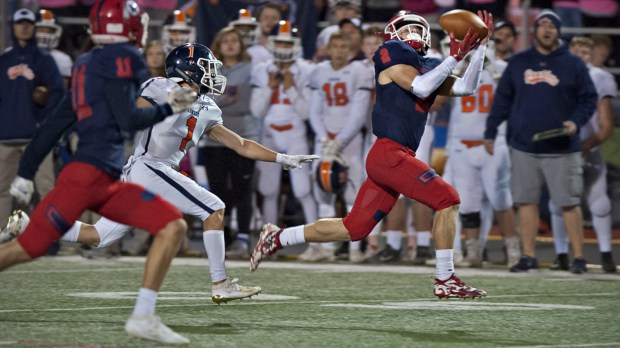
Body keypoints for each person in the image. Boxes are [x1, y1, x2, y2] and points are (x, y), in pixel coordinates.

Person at [251, 10, 493, 299]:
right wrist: (455, 58)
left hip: (393, 155)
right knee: (448, 199)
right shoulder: (391, 52)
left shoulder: (428, 65)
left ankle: (277, 237)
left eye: (417, 29)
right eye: (406, 30)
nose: (412, 34)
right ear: (393, 35)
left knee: (354, 228)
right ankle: (445, 278)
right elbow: (420, 86)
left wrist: (480, 48)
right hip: (388, 153)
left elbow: (466, 87)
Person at [2, 0, 200, 344]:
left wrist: (26, 170)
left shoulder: (85, 63)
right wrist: (173, 105)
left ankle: (143, 316)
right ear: (128, 26)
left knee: (172, 225)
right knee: (26, 248)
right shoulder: (124, 57)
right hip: (88, 178)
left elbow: (56, 123)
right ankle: (143, 314)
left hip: (102, 180)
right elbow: (129, 120)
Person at [484, 10, 598, 274]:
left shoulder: (573, 63)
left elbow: (588, 99)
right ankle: (528, 256)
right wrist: (490, 131)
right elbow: (502, 100)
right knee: (525, 202)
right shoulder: (519, 62)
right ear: (534, 30)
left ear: (558, 31)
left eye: (552, 26)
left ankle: (579, 257)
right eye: (542, 25)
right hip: (525, 145)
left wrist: (575, 122)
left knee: (568, 202)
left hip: (562, 148)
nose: (547, 30)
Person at [445, 41, 520, 269]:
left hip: (492, 142)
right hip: (462, 144)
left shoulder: (501, 68)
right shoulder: (459, 70)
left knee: (500, 199)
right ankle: (474, 251)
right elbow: (438, 99)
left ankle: (513, 251)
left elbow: (513, 94)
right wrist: (456, 67)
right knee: (467, 204)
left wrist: (491, 68)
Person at [549, 36, 617, 273]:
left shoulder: (599, 78)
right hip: (562, 147)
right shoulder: (556, 76)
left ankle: (606, 254)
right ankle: (561, 255)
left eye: (583, 53)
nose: (579, 57)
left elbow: (606, 125)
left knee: (599, 203)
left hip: (588, 147)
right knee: (558, 203)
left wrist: (585, 146)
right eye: (575, 52)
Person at [303, 31, 372, 262]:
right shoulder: (318, 72)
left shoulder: (359, 71)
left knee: (353, 192)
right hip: (325, 139)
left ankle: (355, 249)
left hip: (350, 140)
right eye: (336, 46)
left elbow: (359, 112)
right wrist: (325, 138)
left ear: (351, 50)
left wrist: (340, 140)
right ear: (328, 48)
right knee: (323, 191)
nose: (340, 50)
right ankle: (327, 248)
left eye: (344, 46)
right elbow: (314, 110)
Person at [250, 21, 318, 232]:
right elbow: (256, 110)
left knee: (303, 189)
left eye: (288, 44)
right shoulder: (263, 69)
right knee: (268, 189)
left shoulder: (307, 69)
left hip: (295, 131)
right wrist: (270, 88)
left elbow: (306, 112)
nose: (283, 48)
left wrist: (289, 87)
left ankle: (317, 239)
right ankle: (269, 238)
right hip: (269, 132)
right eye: (280, 43)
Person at [0, 8, 64, 225]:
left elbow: (58, 94)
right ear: (13, 27)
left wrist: (46, 123)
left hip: (36, 139)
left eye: (28, 23)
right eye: (20, 23)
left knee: (46, 189)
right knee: (2, 191)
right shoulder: (4, 60)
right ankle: (3, 239)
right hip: (5, 137)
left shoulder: (44, 59)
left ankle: (51, 238)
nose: (24, 27)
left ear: (34, 27)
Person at [203, 27, 261, 260]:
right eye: (225, 40)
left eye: (234, 41)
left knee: (242, 190)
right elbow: (204, 101)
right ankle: (222, 239)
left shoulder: (250, 69)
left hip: (242, 138)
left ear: (241, 44)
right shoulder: (208, 69)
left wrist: (217, 100)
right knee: (217, 192)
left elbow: (243, 104)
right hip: (213, 139)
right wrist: (228, 98)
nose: (229, 45)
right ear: (218, 44)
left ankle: (243, 238)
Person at [35, 9, 73, 88]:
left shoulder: (62, 59)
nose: (44, 34)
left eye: (49, 31)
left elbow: (63, 91)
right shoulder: (18, 55)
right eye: (41, 30)